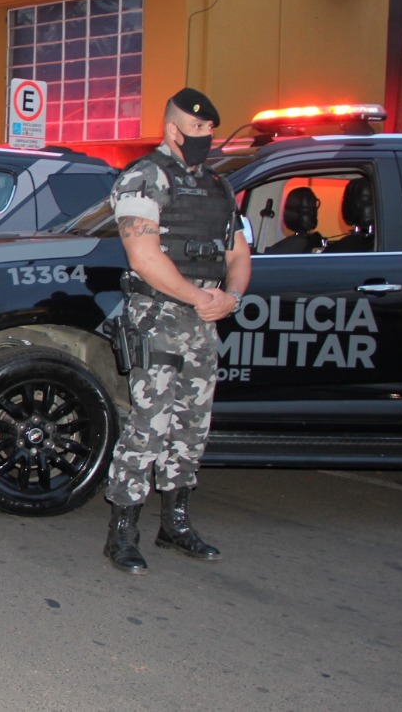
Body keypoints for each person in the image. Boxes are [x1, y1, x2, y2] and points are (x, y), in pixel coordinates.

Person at [103, 87, 251, 575]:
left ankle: (176, 523)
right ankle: (122, 531)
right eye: (198, 130)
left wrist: (231, 297)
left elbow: (238, 253)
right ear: (172, 130)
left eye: (210, 130)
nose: (207, 139)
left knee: (192, 425)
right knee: (148, 424)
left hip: (203, 320)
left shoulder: (219, 188)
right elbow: (144, 257)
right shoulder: (143, 179)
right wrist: (201, 298)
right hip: (159, 317)